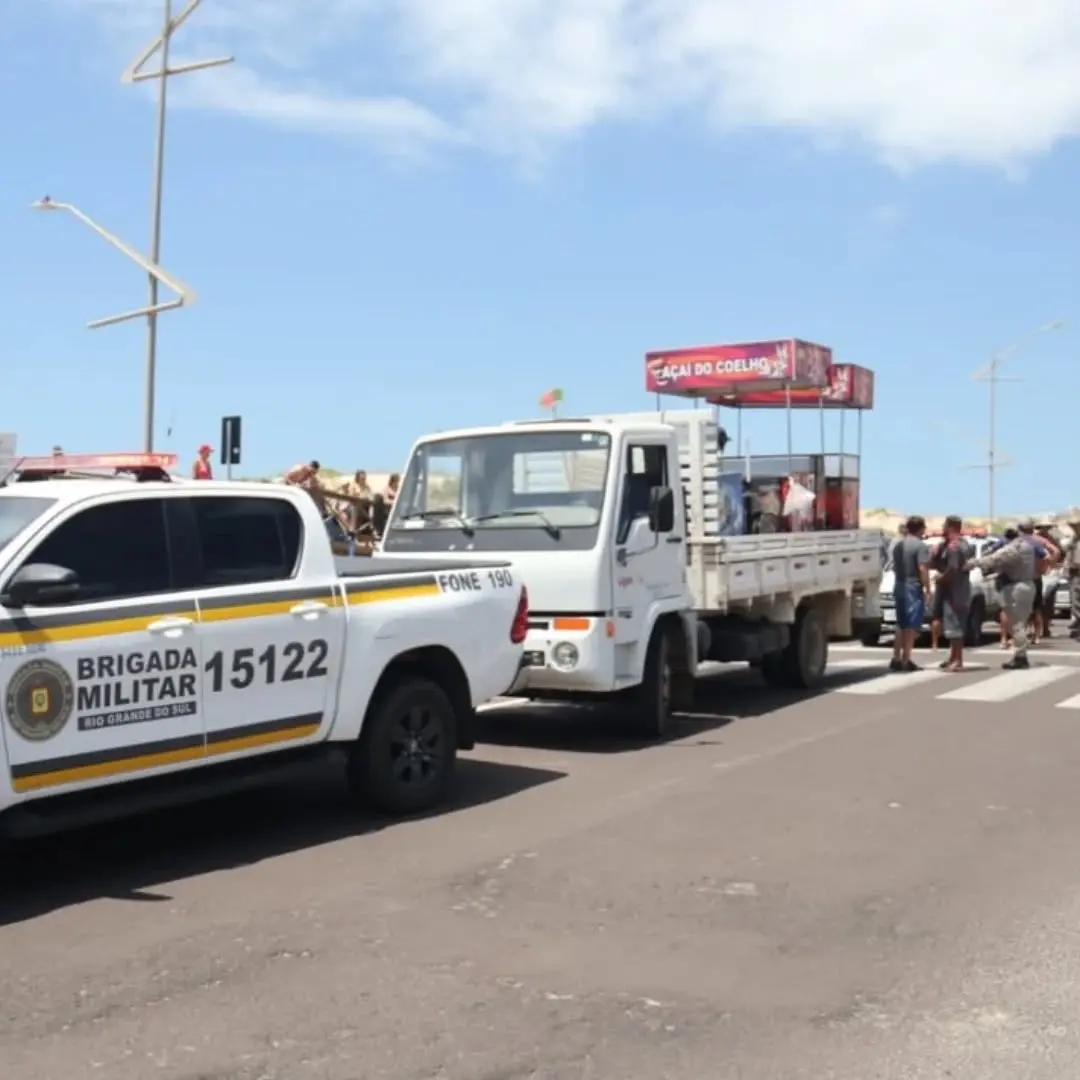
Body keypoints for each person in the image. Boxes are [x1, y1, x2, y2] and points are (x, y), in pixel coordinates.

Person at [969, 517, 1042, 669]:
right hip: (1026, 585)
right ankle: (1020, 654)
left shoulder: (1014, 548)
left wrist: (972, 563)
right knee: (1017, 624)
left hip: (1017, 588)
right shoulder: (1027, 545)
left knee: (1016, 625)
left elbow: (995, 559)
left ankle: (1021, 657)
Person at [930, 515, 973, 672]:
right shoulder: (948, 545)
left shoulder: (955, 546)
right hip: (951, 589)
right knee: (951, 624)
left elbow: (953, 568)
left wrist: (941, 578)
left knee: (955, 624)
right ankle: (953, 657)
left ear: (950, 527)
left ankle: (958, 660)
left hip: (955, 590)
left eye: (944, 526)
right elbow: (935, 561)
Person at [890, 515, 930, 672]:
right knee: (911, 626)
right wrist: (927, 587)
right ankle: (907, 659)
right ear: (920, 528)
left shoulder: (898, 545)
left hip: (899, 584)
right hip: (912, 586)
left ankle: (896, 657)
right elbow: (922, 568)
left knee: (900, 623)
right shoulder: (920, 546)